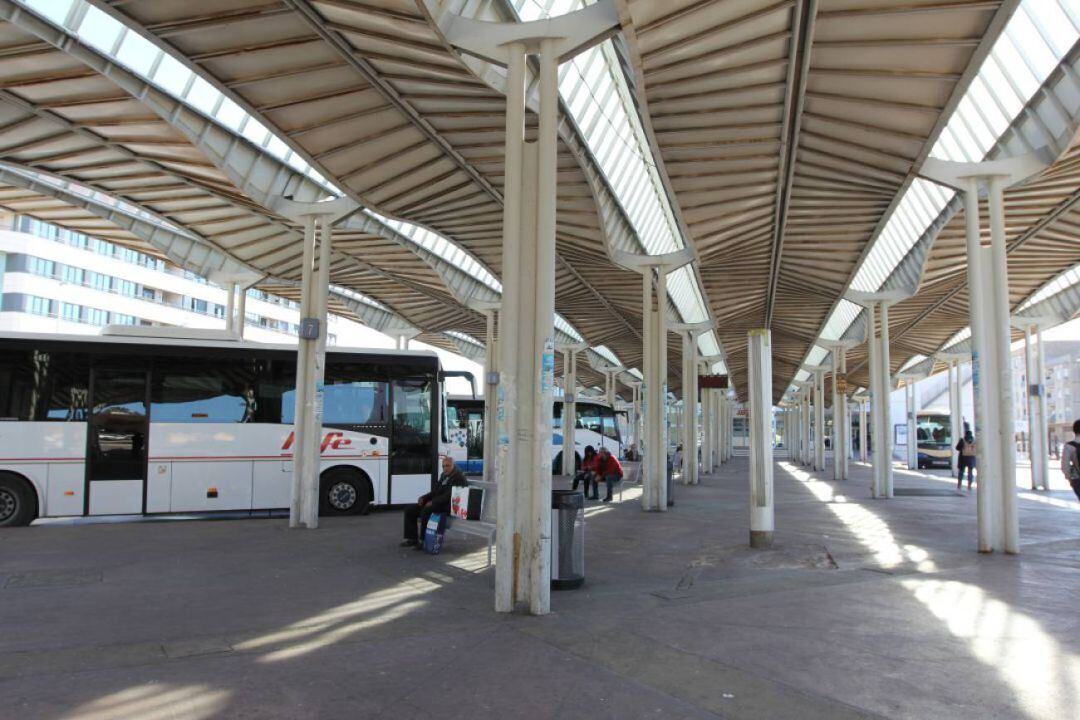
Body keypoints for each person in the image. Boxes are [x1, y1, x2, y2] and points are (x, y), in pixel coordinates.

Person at [401, 455, 467, 549]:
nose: (445, 468)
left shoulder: (459, 478)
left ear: (453, 465)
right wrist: (424, 498)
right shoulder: (444, 476)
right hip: (438, 503)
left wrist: (433, 502)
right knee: (410, 510)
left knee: (427, 511)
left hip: (449, 506)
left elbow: (450, 495)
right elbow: (435, 491)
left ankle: (423, 540)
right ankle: (412, 539)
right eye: (443, 466)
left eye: (448, 466)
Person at [1061, 419, 1080, 501]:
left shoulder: (1069, 446)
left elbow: (1065, 466)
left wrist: (1069, 478)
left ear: (1074, 430)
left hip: (1077, 479)